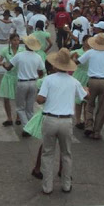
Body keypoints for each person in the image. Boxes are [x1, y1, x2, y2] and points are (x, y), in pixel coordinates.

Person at [37, 49, 86, 195]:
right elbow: (85, 97)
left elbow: (40, 99)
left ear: (54, 65)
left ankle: (47, 186)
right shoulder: (74, 81)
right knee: (66, 154)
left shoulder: (48, 79)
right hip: (66, 121)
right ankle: (66, 185)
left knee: (48, 153)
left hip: (50, 119)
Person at [2, 35, 45, 131]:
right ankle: (31, 126)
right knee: (29, 109)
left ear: (25, 45)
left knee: (20, 108)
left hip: (22, 83)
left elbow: (9, 68)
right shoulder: (38, 56)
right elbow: (41, 72)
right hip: (33, 82)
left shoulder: (19, 55)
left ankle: (26, 127)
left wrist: (4, 65)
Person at [0, 34, 23, 126]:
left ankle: (19, 117)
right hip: (8, 76)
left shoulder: (22, 50)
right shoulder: (5, 50)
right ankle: (9, 118)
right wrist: (2, 64)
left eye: (18, 40)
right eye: (14, 40)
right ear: (10, 41)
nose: (16, 42)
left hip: (19, 76)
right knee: (6, 98)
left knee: (19, 98)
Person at [70, 36, 90, 129]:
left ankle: (86, 120)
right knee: (78, 101)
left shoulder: (93, 52)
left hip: (89, 76)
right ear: (83, 42)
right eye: (87, 41)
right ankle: (78, 119)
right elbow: (69, 57)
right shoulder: (78, 51)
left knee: (87, 100)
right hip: (79, 75)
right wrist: (73, 57)